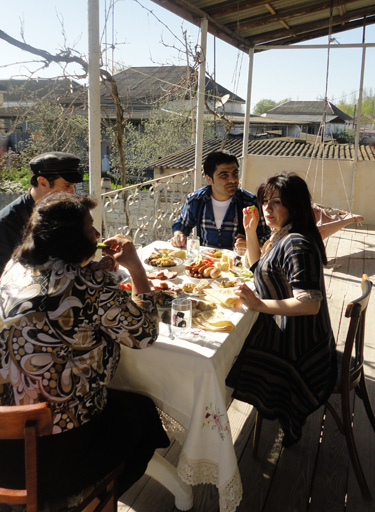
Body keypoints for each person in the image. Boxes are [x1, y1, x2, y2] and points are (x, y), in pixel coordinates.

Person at [0, 193, 169, 504]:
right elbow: (144, 333)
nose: (97, 234)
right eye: (91, 228)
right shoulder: (90, 283)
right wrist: (135, 267)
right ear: (71, 239)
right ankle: (88, 501)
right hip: (53, 460)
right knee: (145, 417)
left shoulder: (14, 267)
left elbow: (57, 294)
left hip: (5, 447)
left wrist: (94, 273)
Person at [226, 172, 337, 447]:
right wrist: (250, 231)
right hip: (300, 336)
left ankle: (221, 429)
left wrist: (258, 304)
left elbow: (310, 304)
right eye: (265, 201)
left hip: (304, 353)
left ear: (294, 206)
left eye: (276, 202)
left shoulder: (296, 244)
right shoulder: (282, 236)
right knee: (237, 346)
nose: (267, 208)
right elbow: (257, 269)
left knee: (231, 358)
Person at [0, 151, 84, 276]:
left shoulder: (66, 211)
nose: (71, 193)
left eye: (73, 186)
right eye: (67, 186)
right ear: (43, 182)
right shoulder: (8, 222)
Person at [170, 150, 270, 249]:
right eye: (224, 175)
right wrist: (178, 235)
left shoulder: (250, 203)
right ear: (209, 179)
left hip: (237, 262)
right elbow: (182, 225)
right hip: (205, 262)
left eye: (235, 173)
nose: (233, 180)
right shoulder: (196, 200)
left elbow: (266, 239)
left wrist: (250, 243)